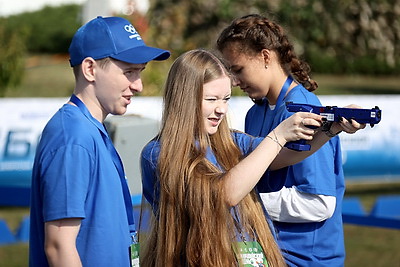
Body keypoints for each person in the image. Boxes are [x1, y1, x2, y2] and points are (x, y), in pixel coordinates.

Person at [139, 49, 363, 267]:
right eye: (211, 99)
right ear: (183, 99)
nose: (221, 109)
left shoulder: (230, 141)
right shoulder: (157, 154)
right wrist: (278, 136)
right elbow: (224, 194)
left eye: (225, 99)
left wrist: (331, 129)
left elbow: (285, 155)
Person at [29, 16, 170, 267]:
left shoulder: (91, 130)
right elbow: (59, 247)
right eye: (129, 72)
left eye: (140, 72)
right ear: (90, 69)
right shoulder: (73, 137)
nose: (138, 85)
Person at [217, 13, 352, 266]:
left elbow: (320, 204)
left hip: (307, 260)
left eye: (238, 70)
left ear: (265, 56)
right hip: (269, 253)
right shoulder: (253, 114)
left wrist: (240, 201)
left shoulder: (307, 108)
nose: (235, 82)